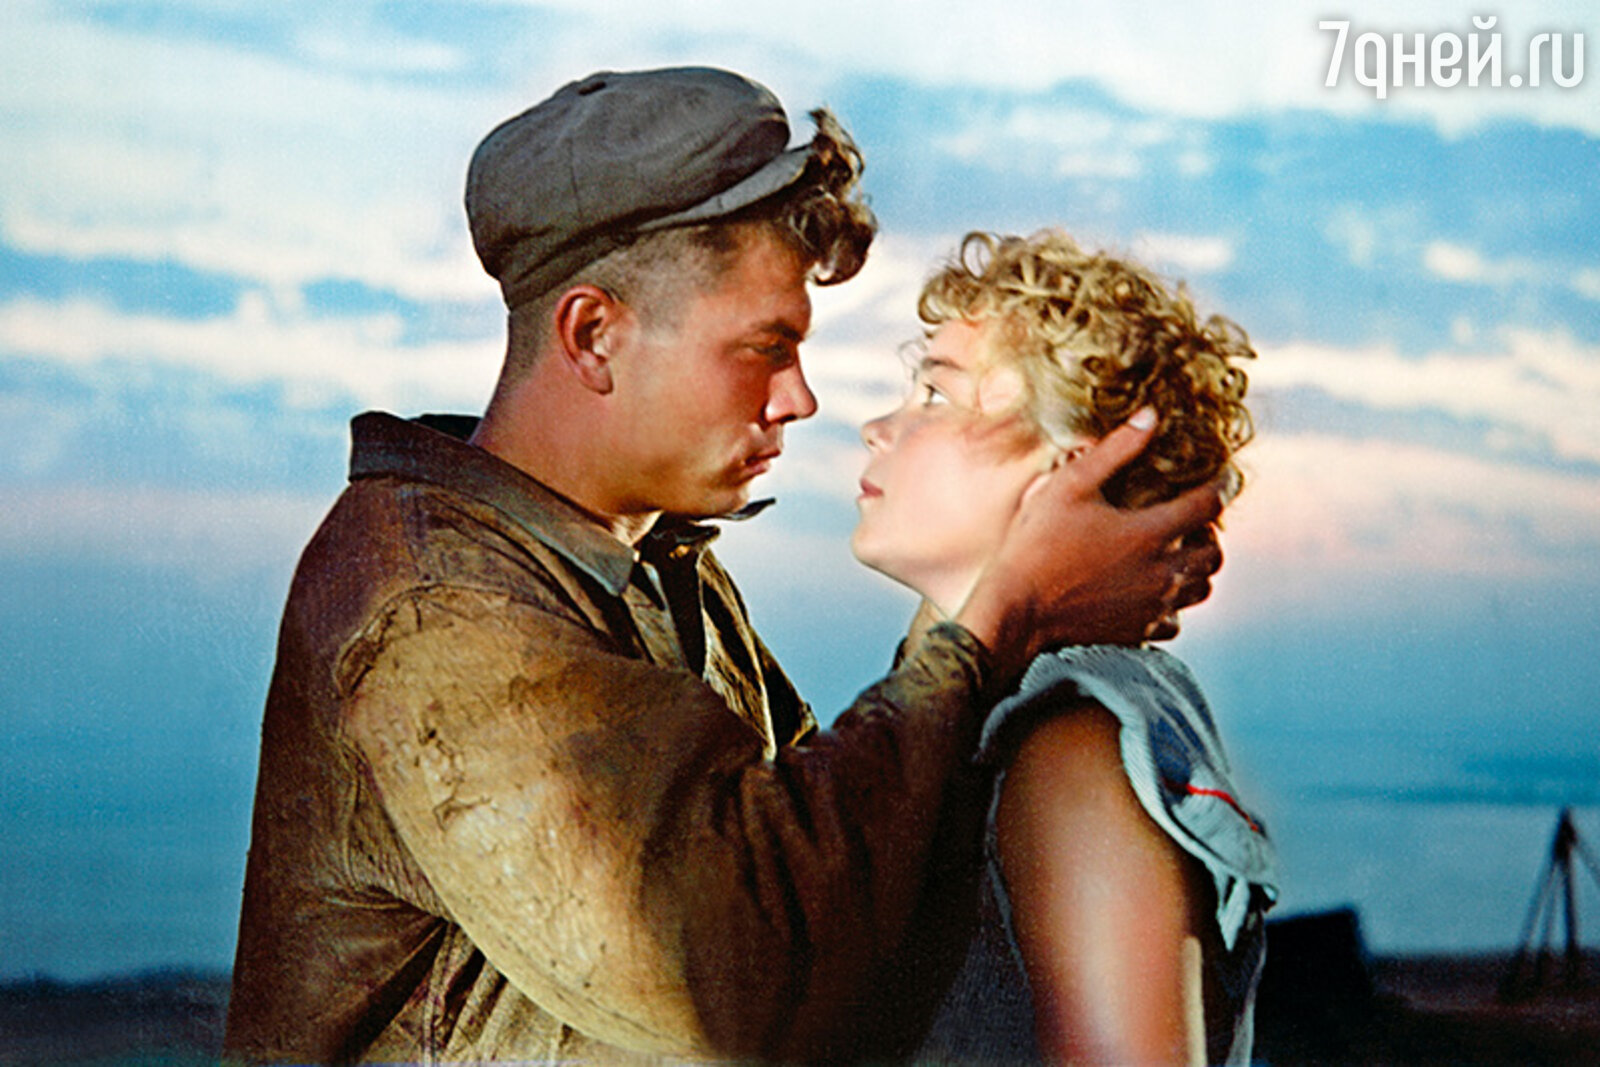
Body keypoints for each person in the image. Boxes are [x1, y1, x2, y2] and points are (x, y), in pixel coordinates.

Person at [224, 70, 1226, 1063]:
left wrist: (992, 609)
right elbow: (745, 976)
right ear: (593, 334)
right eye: (764, 345)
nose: (801, 398)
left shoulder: (650, 565)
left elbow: (844, 873)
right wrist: (1002, 608)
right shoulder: (435, 608)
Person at [851, 231, 1280, 1065]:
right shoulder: (993, 716)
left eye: (936, 394)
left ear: (1067, 468)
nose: (877, 428)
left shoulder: (1072, 756)